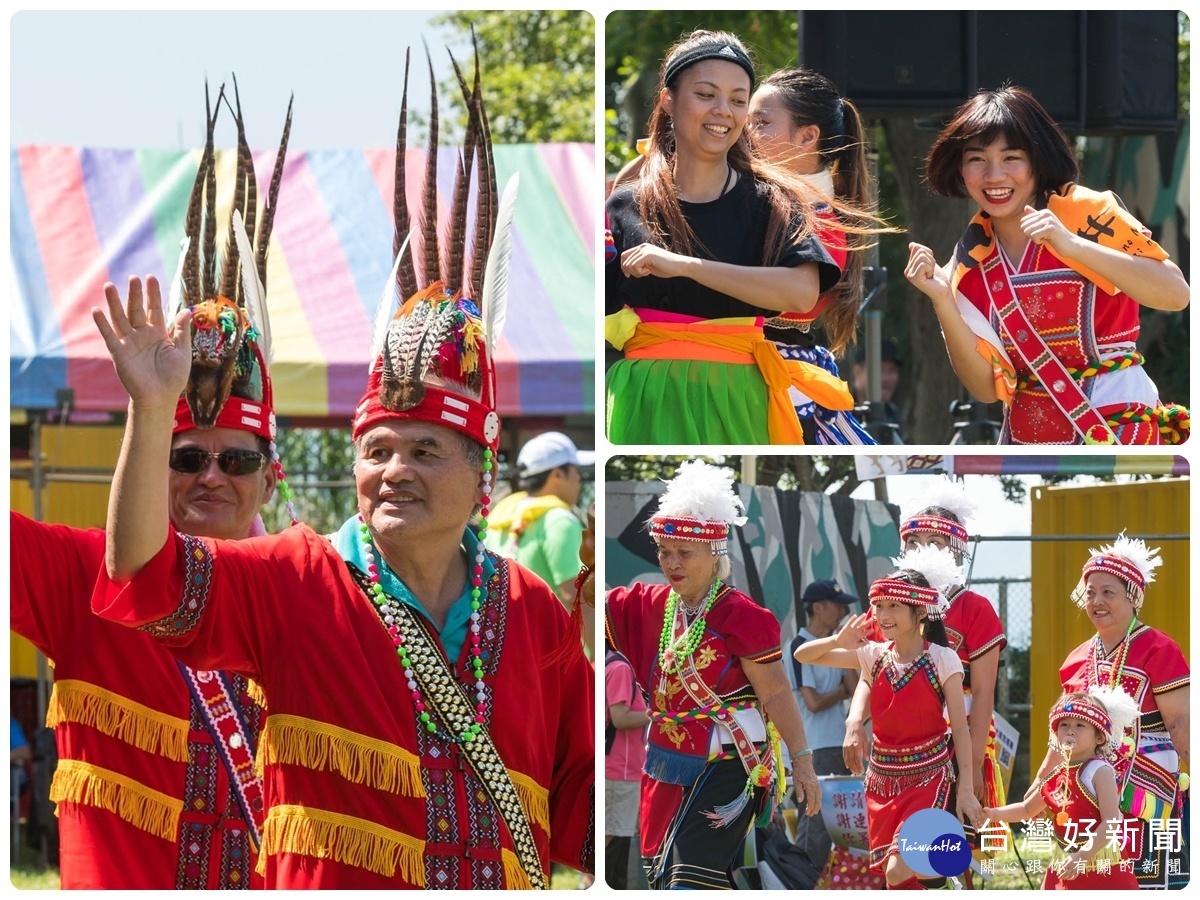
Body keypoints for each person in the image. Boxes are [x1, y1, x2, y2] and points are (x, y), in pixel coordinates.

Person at [89, 53, 594, 889]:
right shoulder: (293, 577)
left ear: (484, 473)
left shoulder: (533, 612)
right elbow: (142, 573)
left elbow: (579, 794)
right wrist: (151, 412)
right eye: (376, 451)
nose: (393, 470)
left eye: (425, 449)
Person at [9, 85, 291, 890]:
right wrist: (150, 402)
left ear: (270, 475)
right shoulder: (82, 574)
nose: (208, 476)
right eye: (183, 454)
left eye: (234, 461)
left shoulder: (307, 596)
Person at [605, 30, 858, 444]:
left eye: (739, 100)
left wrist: (684, 267)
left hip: (740, 394)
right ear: (668, 100)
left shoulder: (775, 202)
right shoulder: (624, 205)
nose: (724, 111)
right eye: (706, 94)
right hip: (643, 396)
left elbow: (801, 293)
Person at [904, 85, 1189, 445]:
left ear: (1038, 160)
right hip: (1028, 443)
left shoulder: (1089, 213)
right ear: (961, 168)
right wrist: (943, 301)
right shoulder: (967, 264)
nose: (993, 176)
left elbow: (1176, 294)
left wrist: (1074, 246)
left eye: (1011, 158)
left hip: (1121, 427)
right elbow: (986, 391)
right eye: (977, 159)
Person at [605, 460, 821, 889]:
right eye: (665, 552)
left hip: (731, 763)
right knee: (663, 877)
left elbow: (777, 694)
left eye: (684, 553)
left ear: (714, 553)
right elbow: (592, 608)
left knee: (690, 880)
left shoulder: (742, 615)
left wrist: (803, 763)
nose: (672, 562)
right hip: (665, 765)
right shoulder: (646, 605)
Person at [795, 546, 984, 889]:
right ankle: (942, 862)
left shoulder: (943, 660)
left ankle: (946, 857)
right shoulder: (873, 654)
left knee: (899, 868)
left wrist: (967, 790)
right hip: (881, 779)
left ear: (920, 611)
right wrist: (837, 640)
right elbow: (802, 653)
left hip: (928, 775)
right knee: (897, 877)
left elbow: (961, 729)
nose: (883, 614)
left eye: (894, 606)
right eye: (879, 606)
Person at [1032, 535, 1189, 889]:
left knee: (1143, 881)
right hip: (1084, 791)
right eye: (1090, 593)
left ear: (1133, 597)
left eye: (1108, 592)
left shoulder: (1159, 648)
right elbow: (1064, 734)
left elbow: (1180, 722)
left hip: (1144, 789)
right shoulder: (1075, 659)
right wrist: (1041, 781)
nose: (1097, 601)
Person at [748, 67, 882, 445]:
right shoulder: (767, 206)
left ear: (807, 136)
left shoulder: (821, 223)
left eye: (761, 122)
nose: (745, 131)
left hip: (774, 385)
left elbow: (796, 300)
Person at [984, 690, 1141, 889]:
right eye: (1064, 724)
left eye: (1080, 725)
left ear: (1100, 737)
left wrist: (1082, 857)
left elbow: (1110, 823)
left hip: (1100, 862)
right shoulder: (1057, 773)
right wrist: (991, 814)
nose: (1070, 731)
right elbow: (1026, 809)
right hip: (1066, 859)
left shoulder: (1100, 771)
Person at [786, 579, 859, 874]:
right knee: (814, 823)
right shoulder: (798, 646)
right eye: (837, 604)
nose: (843, 610)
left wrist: (850, 653)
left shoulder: (833, 643)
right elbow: (813, 702)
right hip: (813, 747)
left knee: (840, 823)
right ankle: (802, 881)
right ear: (818, 608)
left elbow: (855, 689)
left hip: (837, 745)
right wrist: (841, 692)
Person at [491, 431, 593, 609]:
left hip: (506, 632)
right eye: (576, 470)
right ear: (558, 475)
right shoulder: (560, 521)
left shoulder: (499, 518)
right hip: (552, 635)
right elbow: (577, 595)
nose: (578, 478)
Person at [605, 648, 650, 890]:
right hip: (618, 770)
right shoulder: (620, 667)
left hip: (617, 767)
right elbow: (620, 718)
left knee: (619, 839)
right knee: (613, 838)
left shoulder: (609, 663)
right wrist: (656, 714)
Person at [850, 339, 905, 442]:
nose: (886, 378)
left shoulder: (892, 413)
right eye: (879, 370)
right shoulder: (838, 412)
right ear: (857, 372)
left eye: (891, 370)